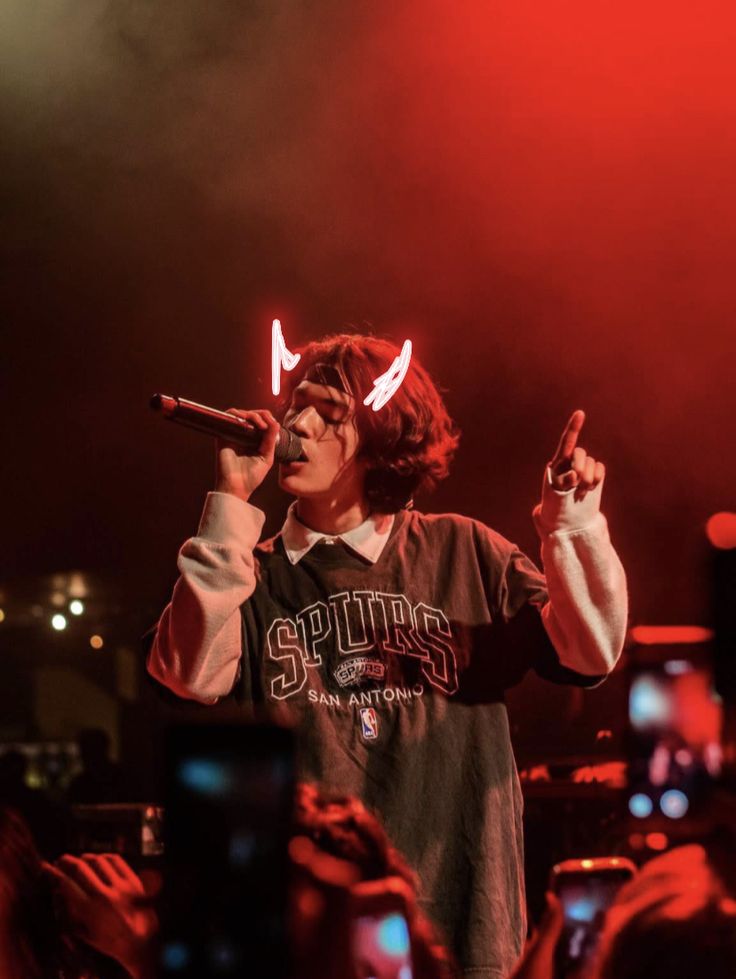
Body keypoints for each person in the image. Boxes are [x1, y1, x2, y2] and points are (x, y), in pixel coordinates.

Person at [147, 332, 628, 977]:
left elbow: (591, 651)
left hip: (461, 933)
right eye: (296, 403)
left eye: (330, 411)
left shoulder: (464, 552)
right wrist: (232, 507)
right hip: (309, 946)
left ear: (380, 434)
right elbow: (187, 675)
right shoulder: (245, 572)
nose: (298, 422)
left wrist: (571, 525)